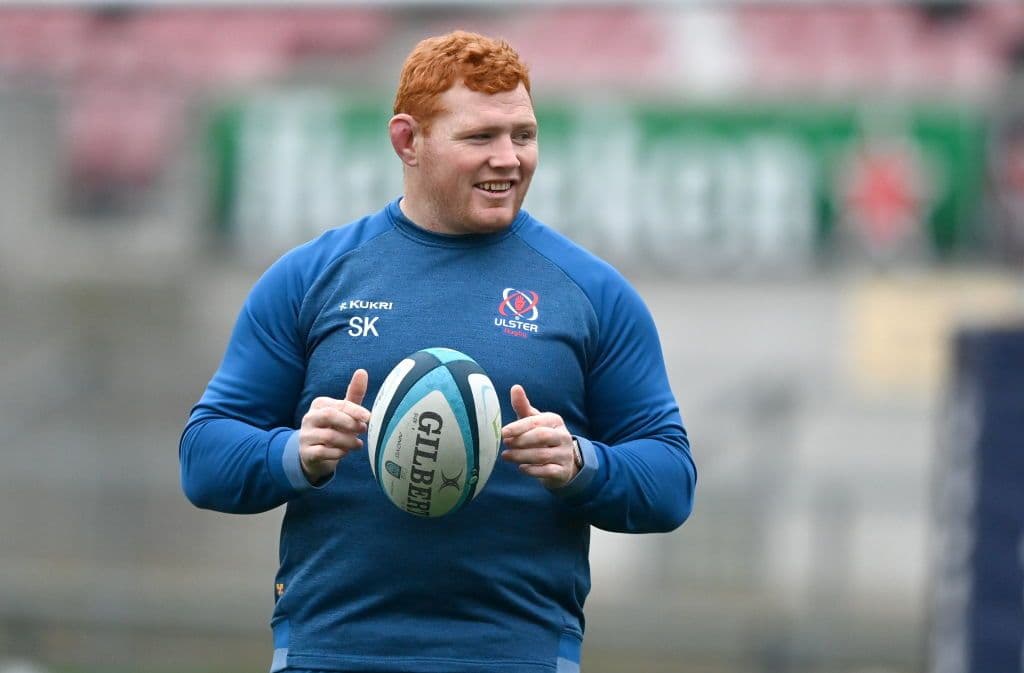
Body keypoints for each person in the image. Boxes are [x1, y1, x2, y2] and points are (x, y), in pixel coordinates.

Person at [180, 30, 696, 673]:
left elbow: (671, 481)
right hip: (332, 651)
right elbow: (204, 459)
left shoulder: (592, 294)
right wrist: (296, 452)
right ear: (408, 141)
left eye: (524, 135)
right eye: (480, 137)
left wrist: (580, 463)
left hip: (517, 656)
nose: (508, 159)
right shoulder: (310, 279)